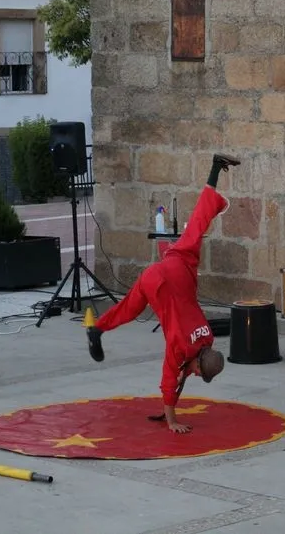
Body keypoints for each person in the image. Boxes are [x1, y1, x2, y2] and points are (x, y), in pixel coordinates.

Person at [86, 153, 240, 434]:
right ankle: (97, 329)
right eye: (198, 371)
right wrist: (171, 420)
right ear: (199, 361)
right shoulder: (181, 346)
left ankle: (215, 171)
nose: (194, 373)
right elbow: (171, 378)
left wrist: (170, 405)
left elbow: (183, 371)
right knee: (130, 309)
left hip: (177, 269)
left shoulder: (206, 336)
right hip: (158, 283)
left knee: (194, 230)